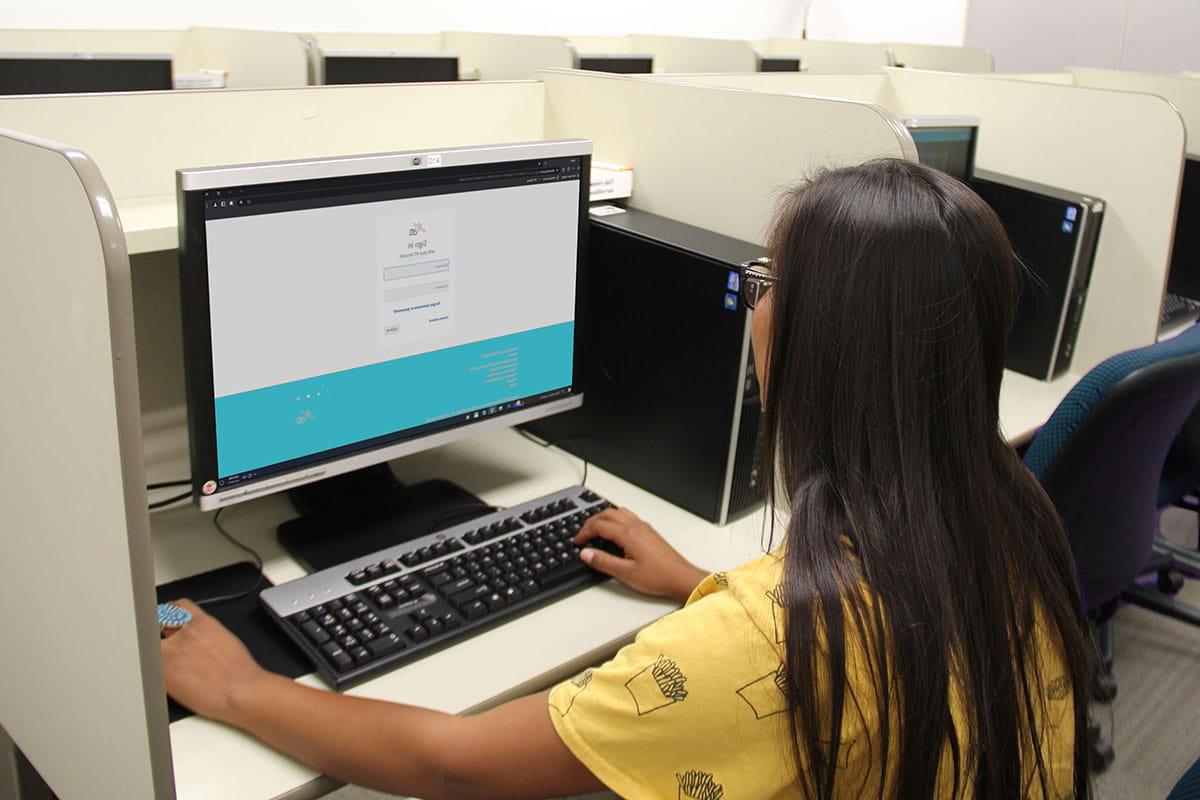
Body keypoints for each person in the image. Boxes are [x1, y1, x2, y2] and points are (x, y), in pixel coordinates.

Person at [162, 159, 1093, 799]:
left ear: (816, 344)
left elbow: (455, 766)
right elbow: (877, 644)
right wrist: (701, 586)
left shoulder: (776, 641)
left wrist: (240, 689)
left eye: (769, 285)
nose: (754, 308)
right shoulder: (1010, 508)